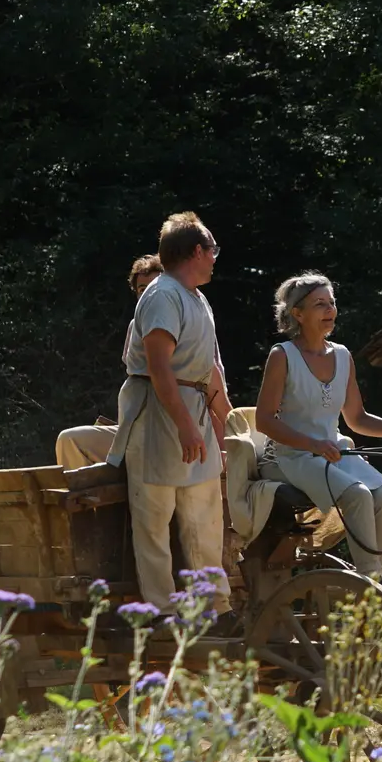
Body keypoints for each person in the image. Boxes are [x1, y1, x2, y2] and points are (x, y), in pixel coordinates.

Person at [254, 272, 382, 580]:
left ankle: (378, 577)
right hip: (290, 457)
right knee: (359, 495)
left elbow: (357, 418)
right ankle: (370, 585)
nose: (330, 310)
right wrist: (312, 444)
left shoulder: (342, 355)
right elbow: (264, 420)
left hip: (332, 452)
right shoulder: (282, 355)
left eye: (332, 303)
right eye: (320, 304)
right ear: (297, 313)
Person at [105, 215, 233, 613]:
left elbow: (206, 370)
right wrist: (186, 428)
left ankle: (212, 607)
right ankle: (162, 613)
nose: (215, 257)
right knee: (154, 521)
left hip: (190, 409)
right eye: (211, 249)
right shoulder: (162, 295)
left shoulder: (195, 296)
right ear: (196, 251)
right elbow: (160, 369)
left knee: (205, 517)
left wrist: (220, 425)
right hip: (158, 418)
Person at [55, 255, 164, 469]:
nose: (148, 294)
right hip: (132, 430)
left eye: (154, 287)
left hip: (165, 433)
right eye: (142, 289)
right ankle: (85, 501)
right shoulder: (135, 326)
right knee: (69, 440)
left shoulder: (184, 322)